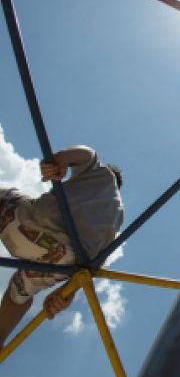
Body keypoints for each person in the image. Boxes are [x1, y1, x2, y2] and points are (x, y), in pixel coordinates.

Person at [0, 146, 124, 348]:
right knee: (18, 294)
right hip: (61, 260)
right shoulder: (115, 222)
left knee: (7, 198)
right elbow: (91, 268)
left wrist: (61, 160)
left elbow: (86, 154)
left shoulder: (101, 173)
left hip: (33, 222)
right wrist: (66, 293)